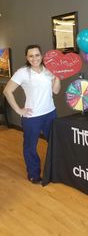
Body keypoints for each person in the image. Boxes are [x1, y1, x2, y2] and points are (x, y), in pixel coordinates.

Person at [3, 44, 61, 184]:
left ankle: (54, 171)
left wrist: (57, 77)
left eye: (37, 55)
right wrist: (19, 110)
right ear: (27, 58)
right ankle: (34, 174)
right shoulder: (22, 72)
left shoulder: (49, 71)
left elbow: (56, 91)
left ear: (42, 56)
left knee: (54, 143)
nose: (34, 58)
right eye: (31, 56)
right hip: (32, 117)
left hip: (50, 113)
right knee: (30, 147)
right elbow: (7, 91)